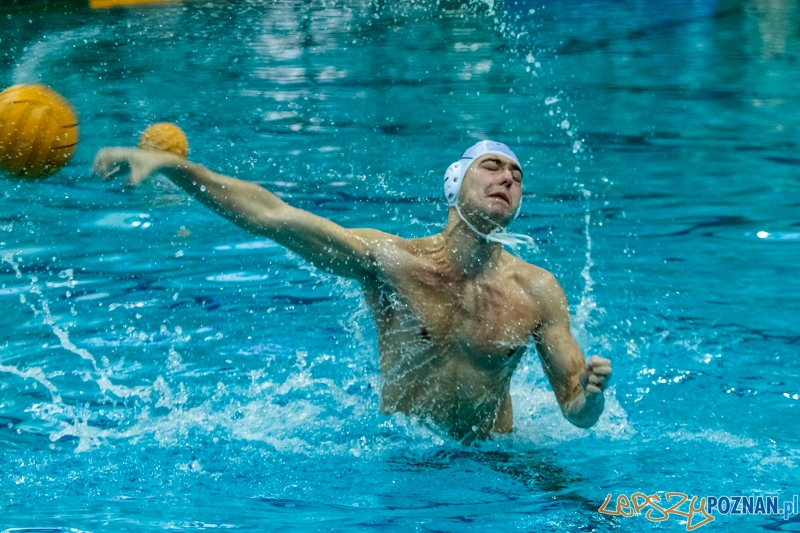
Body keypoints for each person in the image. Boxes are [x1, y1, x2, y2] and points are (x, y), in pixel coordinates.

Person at [92, 140, 612, 443]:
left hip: (498, 463)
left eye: (517, 175)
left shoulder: (537, 289)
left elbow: (574, 408)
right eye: (492, 167)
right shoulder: (392, 261)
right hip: (406, 457)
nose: (507, 179)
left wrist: (588, 398)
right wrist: (172, 166)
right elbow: (274, 216)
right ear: (455, 186)